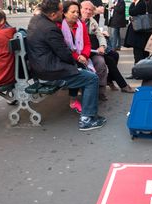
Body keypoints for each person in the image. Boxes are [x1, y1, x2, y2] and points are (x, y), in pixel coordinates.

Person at [26, 0, 106, 131]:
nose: (62, 13)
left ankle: (87, 111)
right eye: (61, 10)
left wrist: (82, 59)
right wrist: (78, 64)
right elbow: (65, 54)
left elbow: (79, 47)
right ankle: (87, 119)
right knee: (91, 78)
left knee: (87, 72)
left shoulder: (36, 20)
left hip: (43, 66)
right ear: (53, 14)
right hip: (50, 72)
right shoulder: (51, 28)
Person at [81, 1, 134, 93]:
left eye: (90, 10)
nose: (88, 11)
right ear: (80, 9)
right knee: (110, 60)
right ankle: (122, 85)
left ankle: (109, 80)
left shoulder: (92, 21)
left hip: (94, 47)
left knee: (115, 55)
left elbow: (99, 36)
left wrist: (102, 46)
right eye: (85, 9)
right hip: (86, 49)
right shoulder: (76, 21)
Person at [124, 0, 152, 79]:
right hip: (147, 31)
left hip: (139, 31)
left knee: (138, 54)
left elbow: (132, 12)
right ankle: (144, 72)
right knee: (145, 53)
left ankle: (137, 73)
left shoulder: (141, 3)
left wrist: (133, 3)